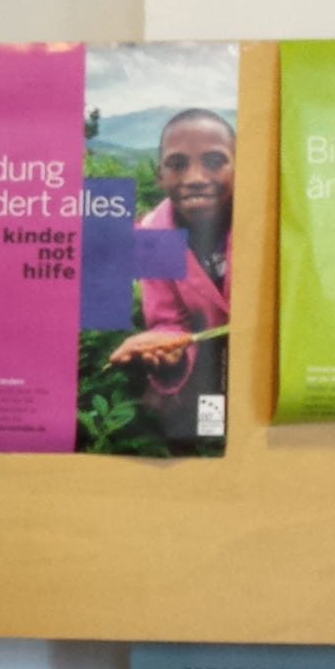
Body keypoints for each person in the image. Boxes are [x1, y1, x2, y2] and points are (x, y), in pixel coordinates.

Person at [107, 108, 233, 435]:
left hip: (266, 358)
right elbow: (170, 320)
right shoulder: (152, 235)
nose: (194, 178)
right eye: (177, 165)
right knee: (197, 427)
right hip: (207, 362)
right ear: (159, 175)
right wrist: (166, 349)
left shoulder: (265, 219)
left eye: (214, 161)